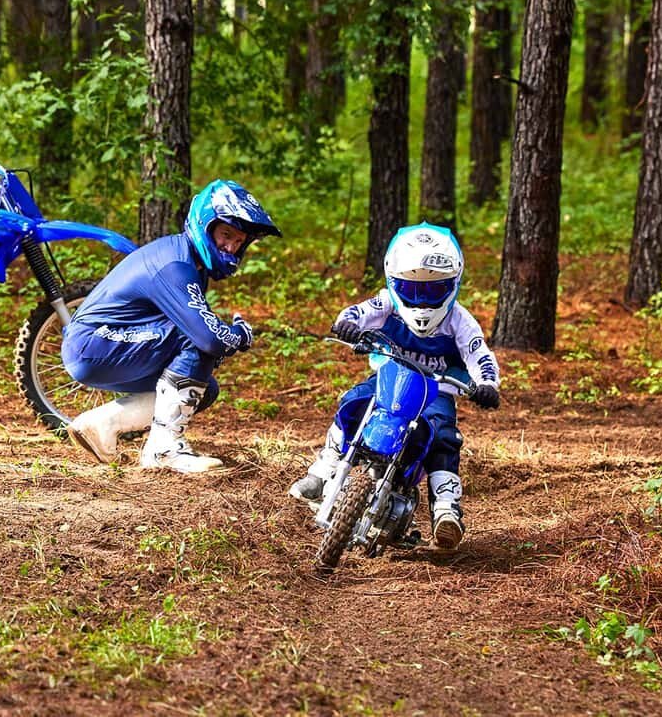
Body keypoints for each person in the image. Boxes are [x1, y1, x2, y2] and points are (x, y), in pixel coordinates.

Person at [288, 223, 500, 549]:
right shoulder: (386, 302)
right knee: (353, 403)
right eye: (411, 289)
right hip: (389, 378)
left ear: (453, 284)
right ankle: (322, 471)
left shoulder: (460, 320)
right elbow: (359, 312)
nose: (421, 300)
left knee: (443, 435)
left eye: (433, 290)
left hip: (437, 391)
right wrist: (347, 324)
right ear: (393, 281)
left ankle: (446, 508)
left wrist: (487, 384)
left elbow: (479, 355)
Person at [60, 180, 281, 473]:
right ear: (206, 225)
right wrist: (239, 334)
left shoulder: (189, 262)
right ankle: (164, 450)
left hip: (96, 346)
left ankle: (103, 424)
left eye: (239, 241)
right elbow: (208, 338)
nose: (230, 247)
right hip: (94, 343)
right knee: (197, 340)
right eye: (226, 235)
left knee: (204, 388)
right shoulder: (176, 265)